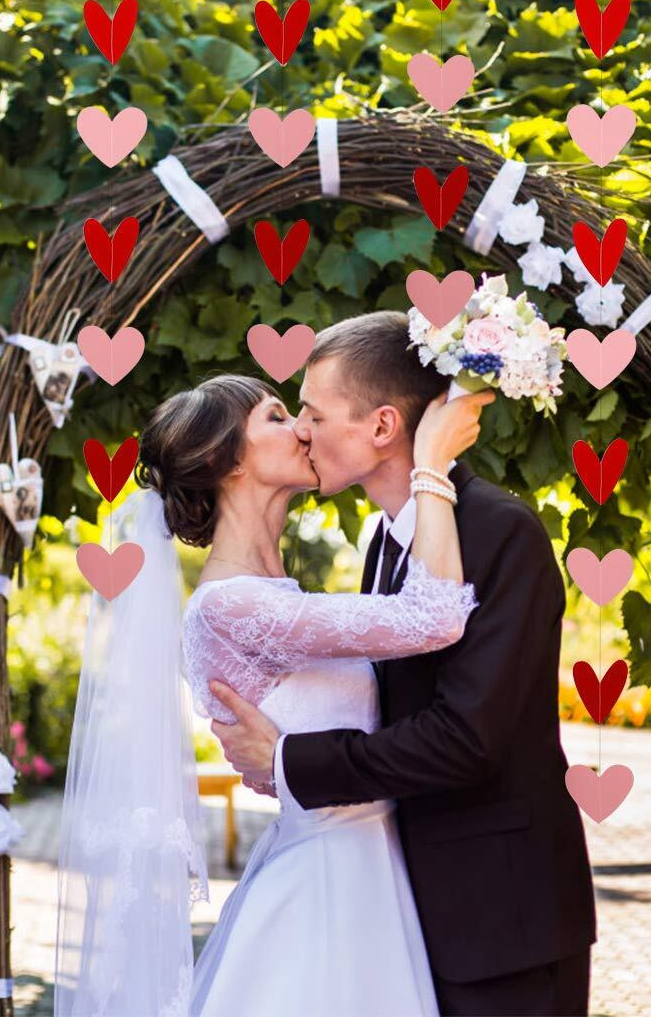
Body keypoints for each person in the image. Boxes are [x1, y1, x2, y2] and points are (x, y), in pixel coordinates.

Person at [53, 371, 494, 1017]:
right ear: (223, 460)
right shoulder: (229, 608)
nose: (304, 429)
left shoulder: (275, 596)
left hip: (370, 876)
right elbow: (433, 618)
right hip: (321, 893)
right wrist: (431, 462)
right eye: (277, 416)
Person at [210, 311, 598, 1017]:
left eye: (314, 412)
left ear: (383, 428)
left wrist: (292, 760)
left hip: (501, 922)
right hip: (407, 916)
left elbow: (467, 739)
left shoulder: (500, 533)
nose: (301, 429)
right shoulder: (385, 546)